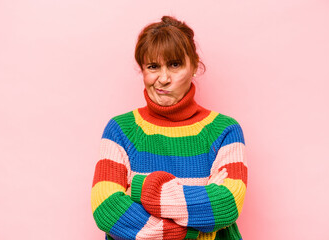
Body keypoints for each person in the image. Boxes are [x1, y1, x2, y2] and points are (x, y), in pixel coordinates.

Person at [90, 15, 247, 240]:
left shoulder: (225, 130)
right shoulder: (120, 130)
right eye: (153, 66)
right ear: (142, 71)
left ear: (193, 66)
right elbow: (106, 209)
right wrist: (193, 230)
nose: (163, 79)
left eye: (174, 64)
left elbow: (227, 204)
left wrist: (141, 190)